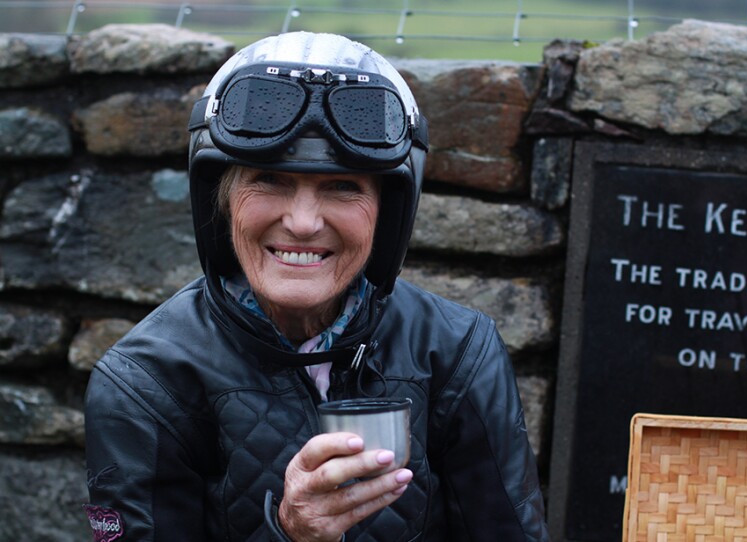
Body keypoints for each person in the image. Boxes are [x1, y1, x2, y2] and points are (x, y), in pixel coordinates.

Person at [83, 31, 549, 541]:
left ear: (388, 213)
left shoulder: (458, 353)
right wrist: (291, 535)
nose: (303, 222)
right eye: (269, 179)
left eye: (343, 186)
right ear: (220, 200)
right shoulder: (145, 383)